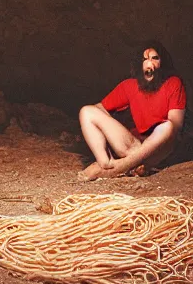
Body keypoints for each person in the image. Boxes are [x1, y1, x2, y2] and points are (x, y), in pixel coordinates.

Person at [77, 41, 186, 181]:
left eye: (155, 58)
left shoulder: (173, 83)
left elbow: (175, 127)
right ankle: (107, 163)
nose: (149, 63)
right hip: (134, 146)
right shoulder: (129, 86)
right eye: (145, 59)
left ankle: (115, 169)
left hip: (160, 149)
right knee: (86, 111)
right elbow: (98, 109)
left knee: (168, 126)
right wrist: (109, 129)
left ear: (162, 63)